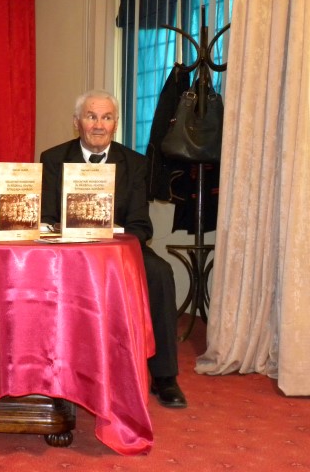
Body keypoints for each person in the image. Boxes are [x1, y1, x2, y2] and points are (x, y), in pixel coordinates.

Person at [40, 89, 187, 408]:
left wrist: (108, 236)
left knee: (160, 273)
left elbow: (141, 226)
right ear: (76, 122)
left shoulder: (134, 163)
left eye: (106, 118)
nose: (98, 125)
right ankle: (52, 370)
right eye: (91, 116)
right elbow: (46, 219)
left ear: (115, 124)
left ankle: (165, 377)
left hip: (118, 250)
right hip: (68, 253)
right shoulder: (52, 159)